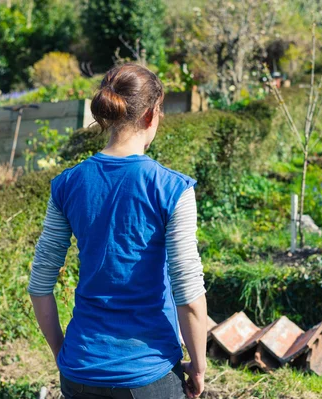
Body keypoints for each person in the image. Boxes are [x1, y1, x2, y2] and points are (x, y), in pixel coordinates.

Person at [28, 63, 208, 399]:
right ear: (151, 116)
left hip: (79, 371)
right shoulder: (172, 189)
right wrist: (198, 367)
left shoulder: (67, 184)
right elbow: (189, 295)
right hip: (147, 375)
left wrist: (62, 353)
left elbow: (40, 284)